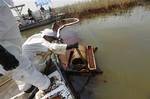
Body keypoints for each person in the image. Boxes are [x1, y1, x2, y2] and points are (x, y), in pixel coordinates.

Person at [0, 0, 59, 98]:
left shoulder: (38, 36)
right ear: (47, 37)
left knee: (17, 62)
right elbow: (56, 48)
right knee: (16, 63)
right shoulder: (41, 41)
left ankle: (27, 87)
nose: (52, 40)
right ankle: (47, 86)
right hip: (27, 63)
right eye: (52, 38)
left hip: (3, 11)